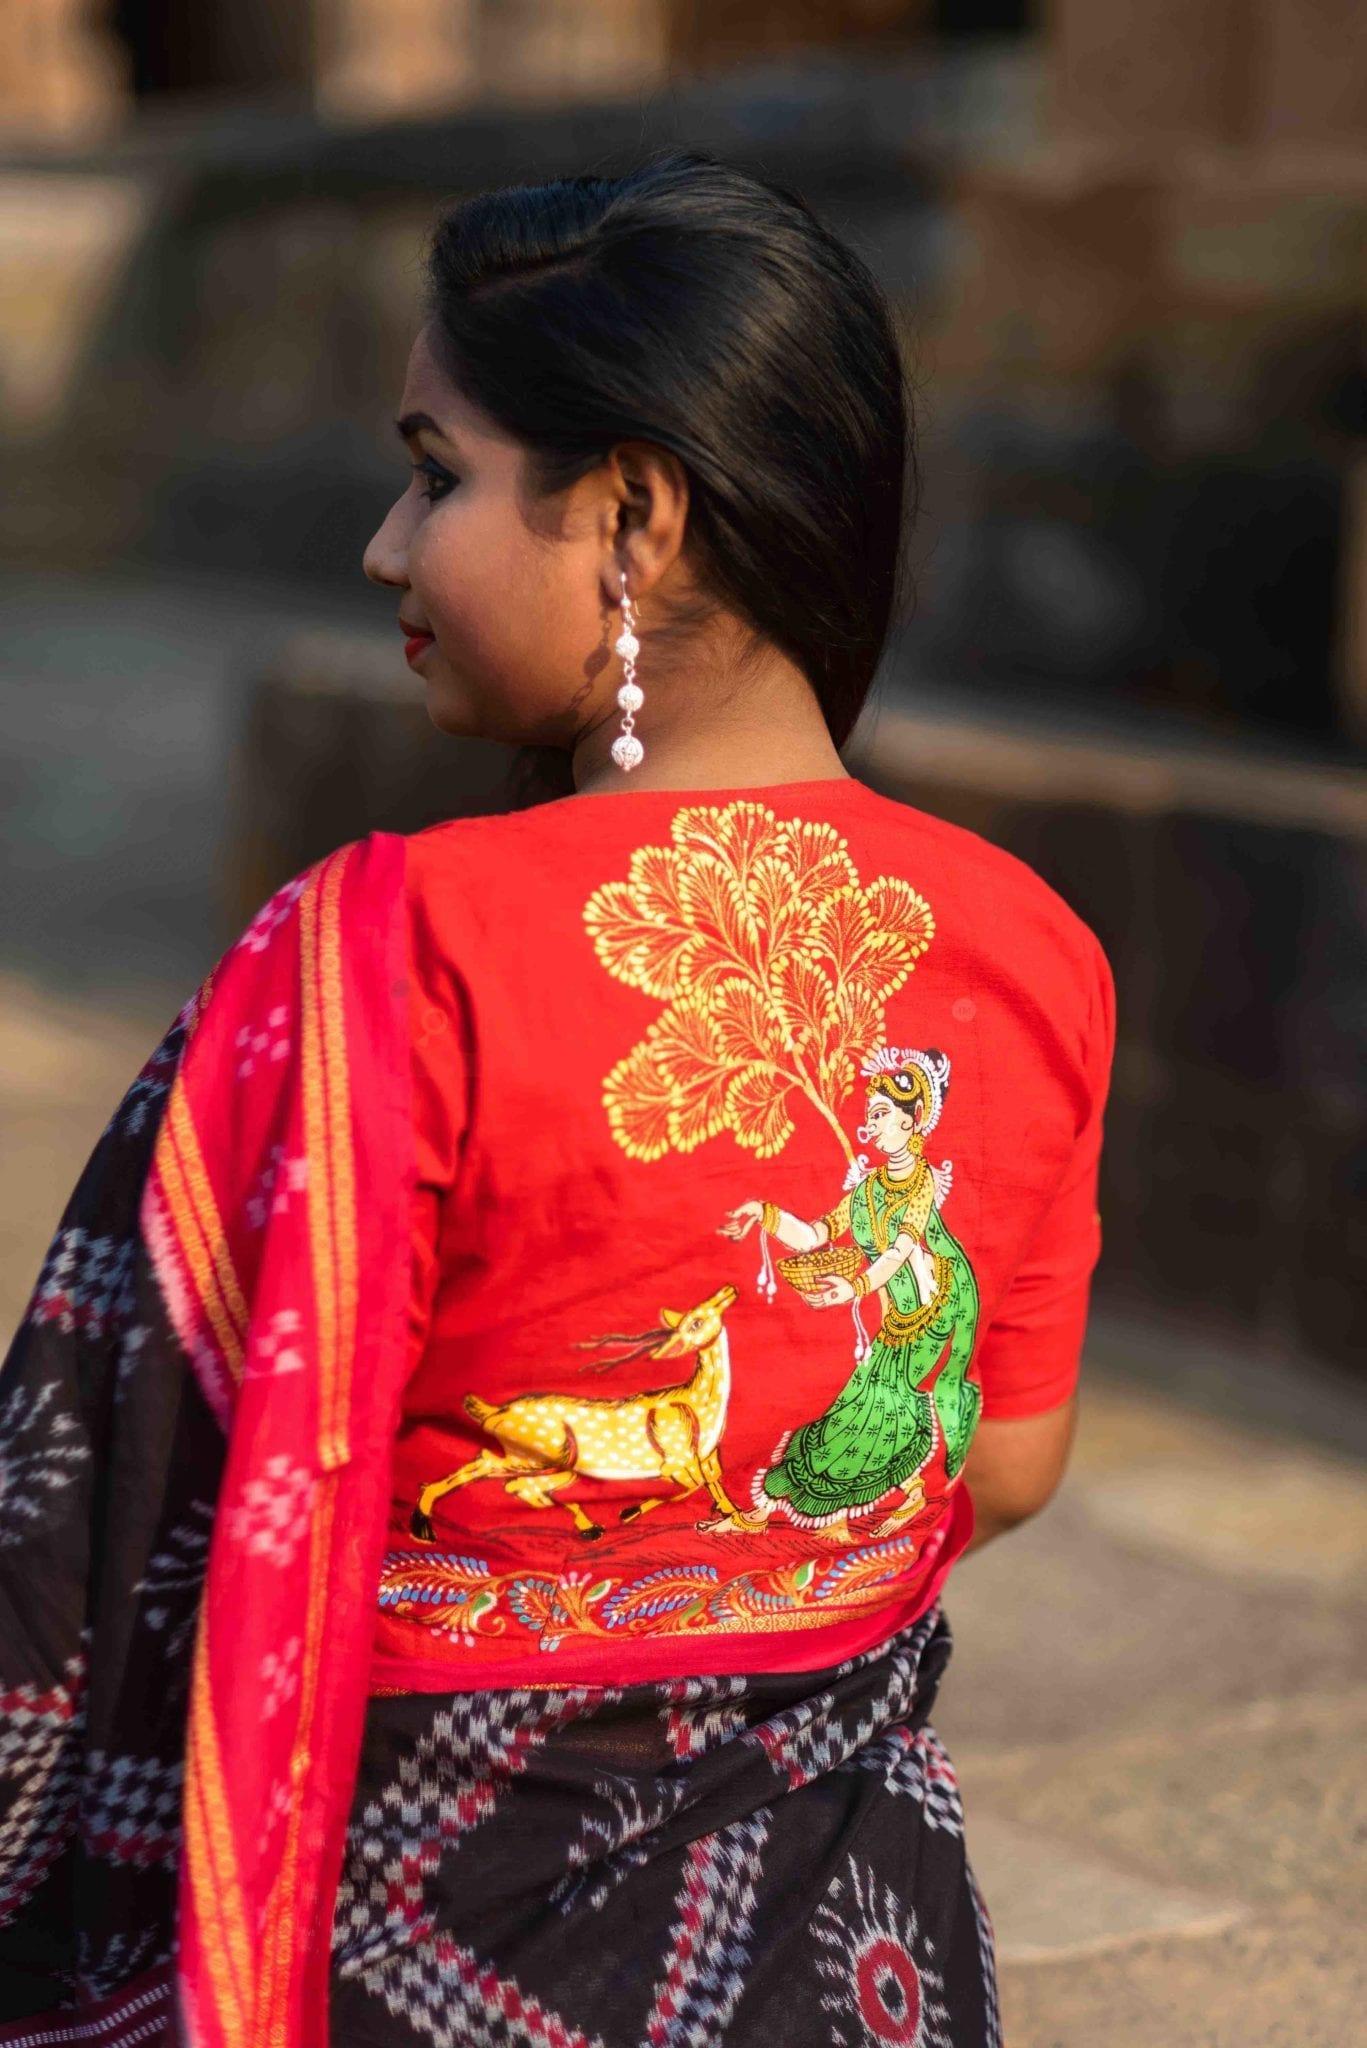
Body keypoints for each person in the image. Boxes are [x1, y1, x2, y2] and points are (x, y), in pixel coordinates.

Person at [0, 149, 1115, 2048]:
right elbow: (1001, 1464)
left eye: (435, 473)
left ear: (633, 514)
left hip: (409, 1939)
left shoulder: (380, 953)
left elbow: (81, 1533)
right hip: (852, 1955)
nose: (384, 544)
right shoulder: (1033, 946)